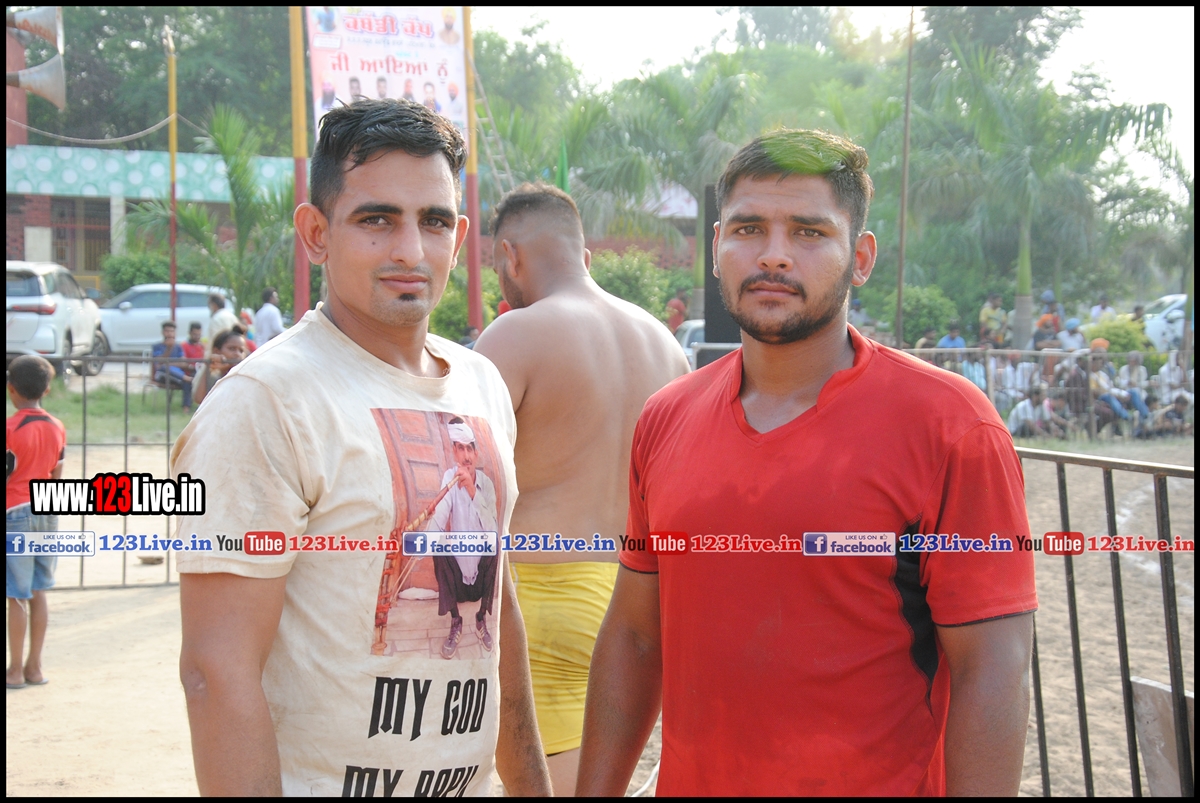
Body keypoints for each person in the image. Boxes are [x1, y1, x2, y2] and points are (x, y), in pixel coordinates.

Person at [576, 129, 1035, 797]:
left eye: (809, 232)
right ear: (716, 248)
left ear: (861, 257)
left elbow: (992, 668)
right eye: (748, 228)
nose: (773, 254)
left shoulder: (952, 427)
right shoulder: (666, 417)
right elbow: (635, 637)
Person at [174, 99, 550, 796]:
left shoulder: (482, 385)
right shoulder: (266, 401)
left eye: (433, 221)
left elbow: (500, 612)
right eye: (377, 220)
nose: (410, 250)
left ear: (459, 237)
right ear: (316, 233)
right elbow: (216, 671)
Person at [473, 182, 688, 796]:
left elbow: (463, 486)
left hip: (539, 596)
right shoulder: (664, 344)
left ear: (510, 256)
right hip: (634, 601)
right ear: (585, 256)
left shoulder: (514, 335)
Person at [5, 355, 65, 690]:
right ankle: (35, 667)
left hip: (15, 512)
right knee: (39, 590)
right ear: (47, 389)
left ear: (11, 389)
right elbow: (58, 474)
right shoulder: (57, 426)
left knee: (16, 594)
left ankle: (14, 670)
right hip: (47, 510)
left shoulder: (9, 429)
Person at [428, 419, 500, 658]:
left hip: (479, 576)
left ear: (476, 454)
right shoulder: (449, 478)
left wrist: (471, 491)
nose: (466, 456)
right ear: (454, 452)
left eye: (470, 448)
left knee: (495, 545)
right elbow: (440, 517)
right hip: (458, 577)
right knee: (438, 545)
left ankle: (481, 618)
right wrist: (425, 539)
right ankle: (456, 621)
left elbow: (492, 530)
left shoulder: (486, 485)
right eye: (461, 448)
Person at [192, 325, 249, 406]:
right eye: (232, 349)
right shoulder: (213, 375)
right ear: (216, 351)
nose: (237, 354)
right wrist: (209, 367)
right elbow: (199, 399)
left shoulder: (246, 375)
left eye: (241, 351)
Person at [151, 321, 193, 412]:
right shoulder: (157, 346)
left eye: (172, 331)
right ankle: (186, 378)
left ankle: (186, 408)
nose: (169, 334)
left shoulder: (178, 347)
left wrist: (168, 363)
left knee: (186, 381)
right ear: (162, 332)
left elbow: (183, 363)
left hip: (178, 376)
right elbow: (159, 364)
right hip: (162, 375)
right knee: (164, 368)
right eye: (167, 331)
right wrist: (169, 348)